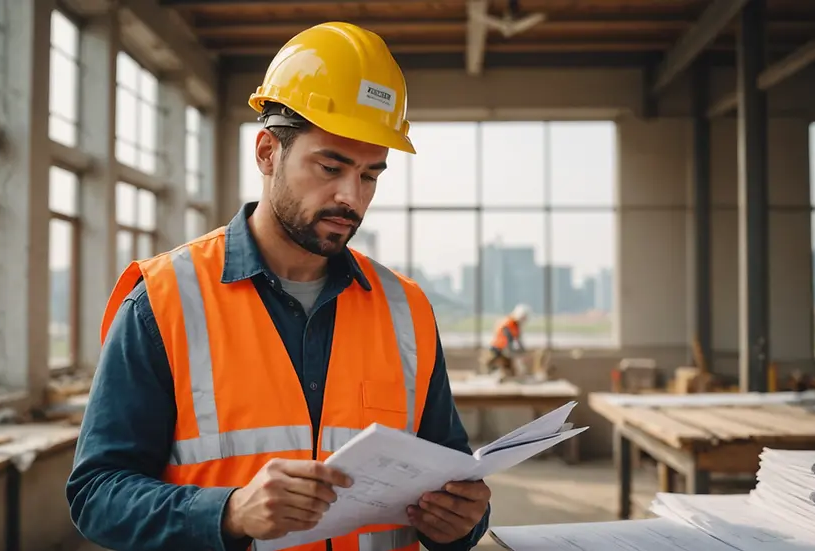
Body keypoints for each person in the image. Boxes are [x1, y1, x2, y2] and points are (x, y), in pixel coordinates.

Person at [66, 21, 491, 551]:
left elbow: (449, 476)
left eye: (369, 175)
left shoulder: (406, 309)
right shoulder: (163, 300)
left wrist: (463, 521)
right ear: (268, 152)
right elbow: (96, 493)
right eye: (330, 166)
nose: (351, 198)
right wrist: (229, 511)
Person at [485, 304, 529, 377]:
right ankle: (497, 374)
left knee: (511, 365)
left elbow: (518, 340)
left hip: (502, 348)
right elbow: (509, 340)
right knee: (507, 364)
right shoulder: (508, 323)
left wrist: (522, 350)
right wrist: (516, 351)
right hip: (498, 348)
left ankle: (508, 374)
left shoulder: (515, 325)